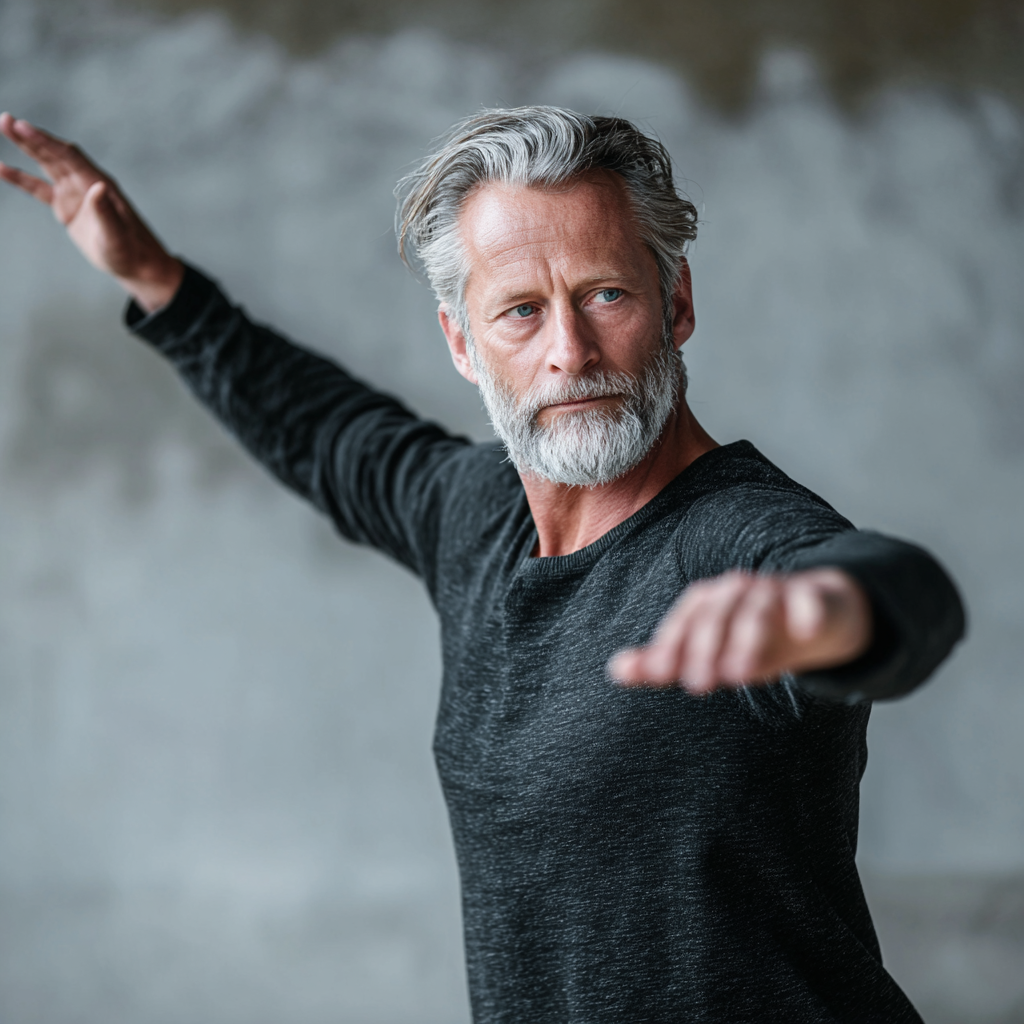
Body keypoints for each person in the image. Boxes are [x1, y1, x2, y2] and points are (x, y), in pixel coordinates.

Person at [0, 106, 964, 1023]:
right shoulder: (477, 518)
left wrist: (829, 615)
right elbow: (328, 432)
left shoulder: (739, 540)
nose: (569, 352)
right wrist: (159, 283)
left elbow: (898, 590)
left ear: (676, 304)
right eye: (520, 312)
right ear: (463, 342)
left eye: (606, 294)